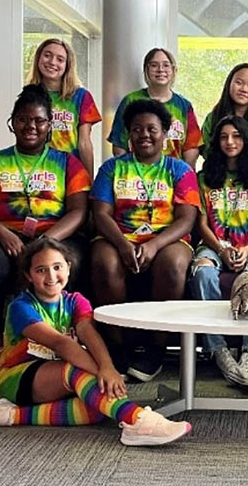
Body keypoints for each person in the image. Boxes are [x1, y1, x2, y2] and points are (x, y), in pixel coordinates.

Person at [0, 238, 193, 445]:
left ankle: (9, 415)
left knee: (97, 408)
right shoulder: (21, 307)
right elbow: (61, 344)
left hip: (51, 375)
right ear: (28, 275)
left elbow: (88, 332)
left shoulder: (76, 301)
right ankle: (136, 419)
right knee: (77, 373)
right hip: (15, 376)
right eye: (41, 270)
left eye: (57, 267)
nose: (51, 276)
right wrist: (102, 372)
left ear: (69, 267)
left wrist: (107, 368)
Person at [0, 84, 91, 381]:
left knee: (78, 259)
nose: (30, 126)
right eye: (22, 119)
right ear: (13, 123)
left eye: (38, 121)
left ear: (49, 125)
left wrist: (49, 241)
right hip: (5, 235)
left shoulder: (67, 163)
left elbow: (79, 210)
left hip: (56, 234)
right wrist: (2, 233)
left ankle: (65, 338)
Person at [91, 99, 200, 382]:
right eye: (137, 129)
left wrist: (153, 245)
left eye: (152, 128)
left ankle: (156, 348)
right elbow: (100, 213)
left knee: (174, 264)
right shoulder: (111, 168)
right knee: (104, 262)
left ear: (165, 133)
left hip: (167, 239)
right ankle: (118, 347)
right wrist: (123, 244)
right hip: (118, 235)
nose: (144, 134)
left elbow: (186, 219)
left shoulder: (180, 171)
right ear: (129, 133)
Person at [187, 115, 248, 392]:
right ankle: (218, 350)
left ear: (246, 140)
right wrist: (222, 249)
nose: (230, 142)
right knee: (202, 274)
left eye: (236, 136)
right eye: (224, 136)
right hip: (213, 246)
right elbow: (201, 224)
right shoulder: (203, 178)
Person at [109, 48, 203, 168]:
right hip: (136, 176)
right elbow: (119, 144)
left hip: (172, 175)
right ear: (146, 70)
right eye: (154, 65)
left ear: (173, 70)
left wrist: (185, 176)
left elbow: (191, 147)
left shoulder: (183, 106)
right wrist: (124, 172)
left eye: (166, 65)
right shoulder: (130, 101)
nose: (160, 70)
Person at [27, 38, 102, 175]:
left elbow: (84, 143)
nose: (52, 62)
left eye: (60, 59)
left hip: (70, 172)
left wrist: (89, 181)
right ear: (38, 58)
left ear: (68, 65)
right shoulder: (29, 95)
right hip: (37, 172)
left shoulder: (81, 96)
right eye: (47, 55)